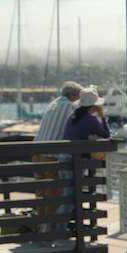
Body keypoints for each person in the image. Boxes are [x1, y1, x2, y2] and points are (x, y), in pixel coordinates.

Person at [55, 87, 111, 239]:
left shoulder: (73, 115)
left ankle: (55, 230)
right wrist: (103, 117)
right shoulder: (89, 119)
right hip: (76, 160)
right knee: (70, 199)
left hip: (64, 157)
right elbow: (106, 134)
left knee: (68, 197)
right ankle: (58, 234)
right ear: (94, 105)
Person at [33, 81, 82, 233]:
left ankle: (40, 227)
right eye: (78, 95)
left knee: (41, 192)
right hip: (52, 154)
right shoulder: (71, 107)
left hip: (37, 152)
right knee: (54, 192)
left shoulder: (53, 103)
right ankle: (50, 230)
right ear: (72, 94)